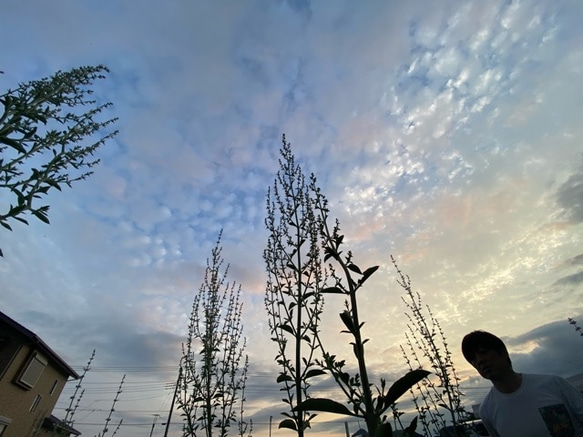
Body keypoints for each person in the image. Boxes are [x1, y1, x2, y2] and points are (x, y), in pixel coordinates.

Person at [461, 330, 583, 437]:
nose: (480, 360)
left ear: (503, 352)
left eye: (483, 352)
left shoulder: (553, 384)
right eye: (473, 359)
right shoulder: (487, 410)